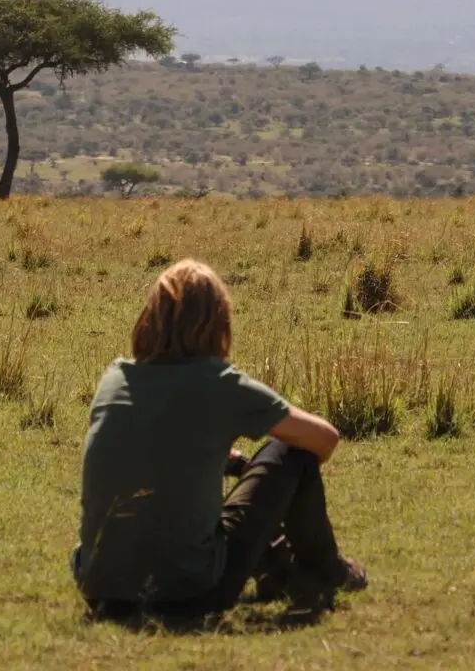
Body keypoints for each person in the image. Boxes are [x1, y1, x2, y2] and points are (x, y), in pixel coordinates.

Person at [72, 258, 367, 620]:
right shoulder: (219, 383)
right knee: (293, 452)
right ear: (219, 322)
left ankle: (280, 564)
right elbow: (324, 439)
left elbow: (147, 448)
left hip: (100, 588)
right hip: (189, 593)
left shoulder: (114, 379)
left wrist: (213, 457)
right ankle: (327, 571)